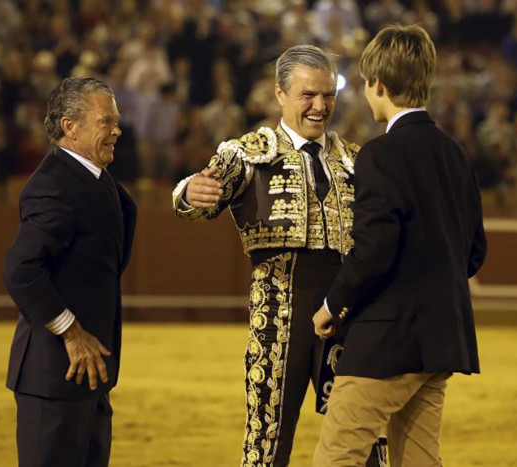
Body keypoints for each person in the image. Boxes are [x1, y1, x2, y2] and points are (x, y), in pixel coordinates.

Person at [173, 45, 385, 466]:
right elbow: (197, 199)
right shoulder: (248, 153)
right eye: (308, 95)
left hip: (348, 314)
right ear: (280, 95)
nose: (320, 106)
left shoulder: (356, 160)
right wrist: (187, 192)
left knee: (365, 441)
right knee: (266, 443)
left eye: (327, 95)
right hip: (278, 316)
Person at [312, 24, 487, 466]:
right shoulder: (454, 153)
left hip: (389, 339)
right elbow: (474, 252)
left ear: (380, 84)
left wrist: (333, 304)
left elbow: (375, 248)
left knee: (336, 456)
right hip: (442, 336)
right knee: (420, 460)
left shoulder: (381, 154)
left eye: (368, 86)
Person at [3, 77, 137, 467]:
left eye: (117, 121)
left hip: (86, 375)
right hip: (54, 375)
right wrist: (71, 332)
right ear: (70, 125)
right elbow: (21, 270)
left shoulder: (90, 177)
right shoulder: (55, 184)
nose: (117, 130)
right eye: (106, 122)